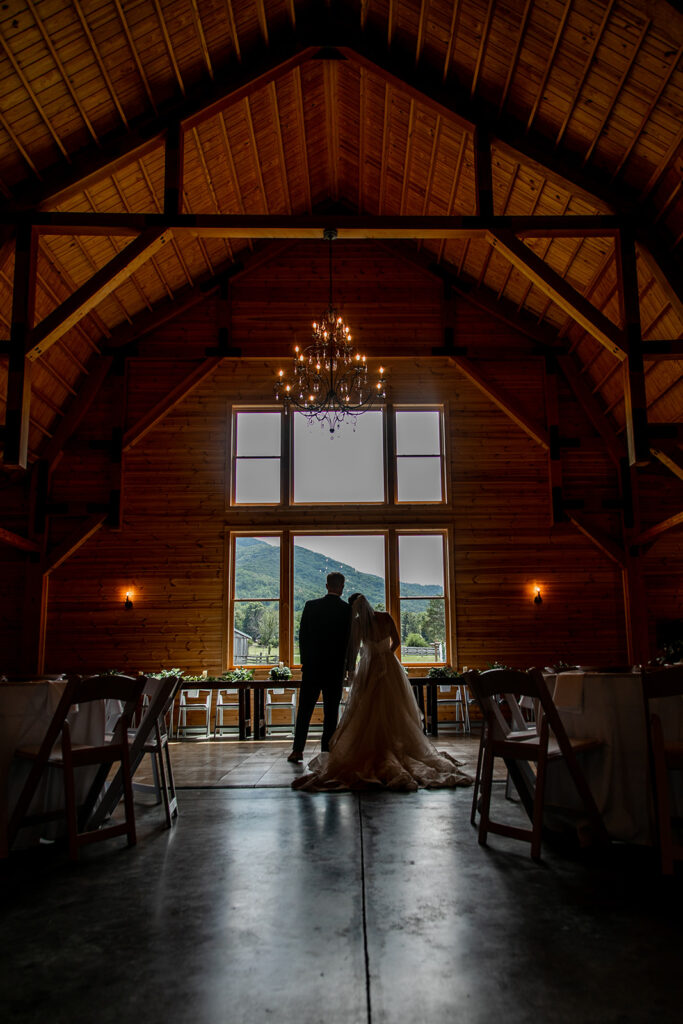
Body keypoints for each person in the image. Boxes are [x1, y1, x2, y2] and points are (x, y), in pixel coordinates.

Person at [291, 593, 472, 791]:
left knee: (368, 706)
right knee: (395, 705)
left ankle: (370, 746)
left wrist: (359, 662)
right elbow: (396, 641)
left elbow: (352, 649)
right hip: (389, 664)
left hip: (369, 667)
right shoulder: (385, 616)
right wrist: (385, 654)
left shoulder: (359, 624)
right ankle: (398, 743)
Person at [287, 571, 353, 764]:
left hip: (313, 668)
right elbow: (348, 642)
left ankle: (297, 750)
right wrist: (347, 667)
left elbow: (303, 638)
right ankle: (326, 751)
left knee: (304, 710)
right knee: (331, 712)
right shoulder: (346, 610)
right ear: (341, 588)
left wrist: (306, 663)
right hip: (334, 670)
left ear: (326, 586)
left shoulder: (311, 606)